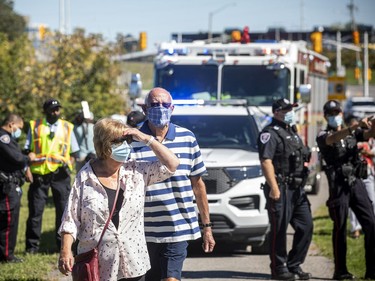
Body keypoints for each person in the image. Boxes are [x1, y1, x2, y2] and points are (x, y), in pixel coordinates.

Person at [58, 117, 179, 281]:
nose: (126, 145)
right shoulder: (85, 177)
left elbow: (172, 164)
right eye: (120, 141)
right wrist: (66, 250)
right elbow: (70, 218)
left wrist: (146, 138)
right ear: (105, 145)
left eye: (128, 140)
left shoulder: (136, 171)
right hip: (97, 266)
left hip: (133, 263)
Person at [131, 87, 215, 281]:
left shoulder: (187, 138)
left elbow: (198, 185)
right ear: (145, 109)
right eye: (154, 104)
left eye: (164, 104)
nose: (160, 108)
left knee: (171, 278)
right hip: (142, 230)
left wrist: (207, 227)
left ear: (172, 108)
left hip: (178, 227)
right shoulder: (132, 141)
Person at [316, 100, 375, 280]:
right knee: (340, 227)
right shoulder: (323, 134)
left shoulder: (353, 132)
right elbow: (332, 139)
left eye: (337, 111)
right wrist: (354, 126)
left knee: (371, 223)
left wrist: (373, 125)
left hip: (355, 182)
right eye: (331, 113)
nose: (335, 115)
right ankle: (340, 270)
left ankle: (372, 269)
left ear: (342, 113)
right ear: (326, 116)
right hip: (338, 184)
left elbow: (368, 135)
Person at [258, 98, 313, 281]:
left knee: (306, 226)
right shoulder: (269, 133)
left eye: (291, 109)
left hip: (297, 189)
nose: (291, 112)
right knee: (279, 230)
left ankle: (294, 265)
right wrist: (273, 187)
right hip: (280, 188)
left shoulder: (292, 131)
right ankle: (278, 269)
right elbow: (266, 161)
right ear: (276, 112)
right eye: (287, 109)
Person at [24, 98, 80, 254]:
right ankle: (32, 247)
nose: (56, 112)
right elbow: (27, 150)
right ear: (45, 111)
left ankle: (61, 245)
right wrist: (27, 167)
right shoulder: (35, 126)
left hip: (60, 175)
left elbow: (74, 153)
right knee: (35, 212)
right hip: (40, 175)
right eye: (52, 110)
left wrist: (70, 163)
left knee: (63, 211)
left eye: (58, 109)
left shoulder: (67, 127)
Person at [0, 114, 35, 263]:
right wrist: (29, 158)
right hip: (7, 187)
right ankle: (7, 255)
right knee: (8, 221)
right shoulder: (3, 137)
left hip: (11, 185)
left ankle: (7, 253)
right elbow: (16, 157)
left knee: (10, 219)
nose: (18, 131)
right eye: (18, 128)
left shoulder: (7, 137)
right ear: (11, 124)